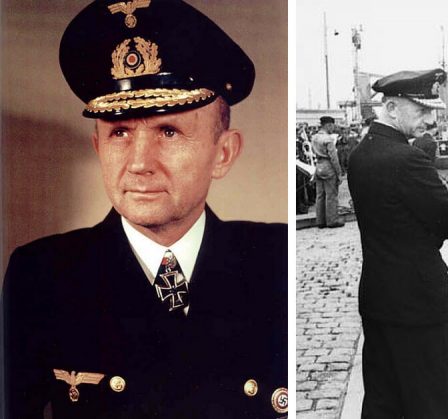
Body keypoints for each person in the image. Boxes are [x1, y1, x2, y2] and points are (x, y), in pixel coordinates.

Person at [2, 1, 288, 417]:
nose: (138, 162)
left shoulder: (275, 261)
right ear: (98, 148)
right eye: (119, 132)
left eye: (168, 131)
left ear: (223, 153)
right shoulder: (41, 280)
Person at [347, 68, 448, 418]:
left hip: (378, 297)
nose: (429, 119)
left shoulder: (360, 155)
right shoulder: (408, 159)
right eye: (422, 110)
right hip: (420, 305)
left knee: (383, 402)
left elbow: (385, 221)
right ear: (393, 108)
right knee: (432, 405)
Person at [312, 116, 345, 228]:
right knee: (331, 194)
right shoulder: (328, 139)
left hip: (319, 166)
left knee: (320, 195)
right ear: (328, 125)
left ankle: (320, 221)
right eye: (332, 126)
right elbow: (334, 158)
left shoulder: (314, 137)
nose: (333, 129)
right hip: (328, 166)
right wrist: (339, 173)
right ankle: (332, 220)